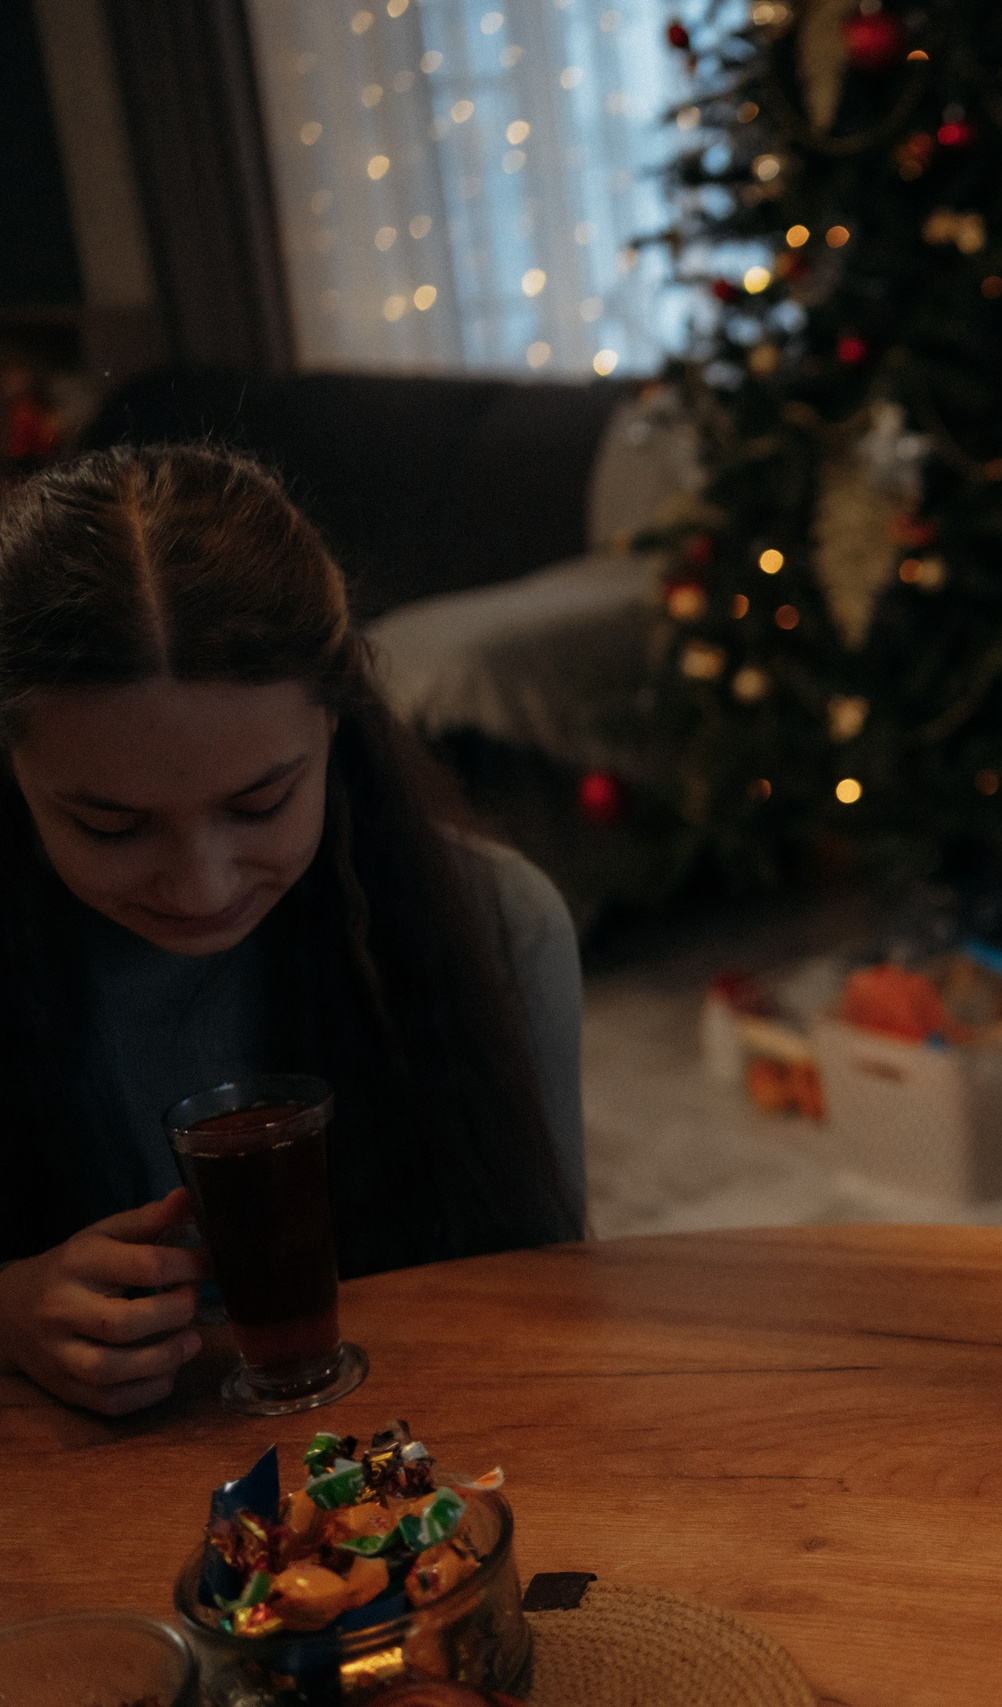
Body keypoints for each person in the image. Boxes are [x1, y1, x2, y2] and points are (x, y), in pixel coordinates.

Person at [0, 443, 586, 1417]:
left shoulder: (501, 931)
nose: (200, 887)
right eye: (109, 825)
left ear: (335, 728)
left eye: (261, 803)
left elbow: (564, 1306)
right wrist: (10, 1310)